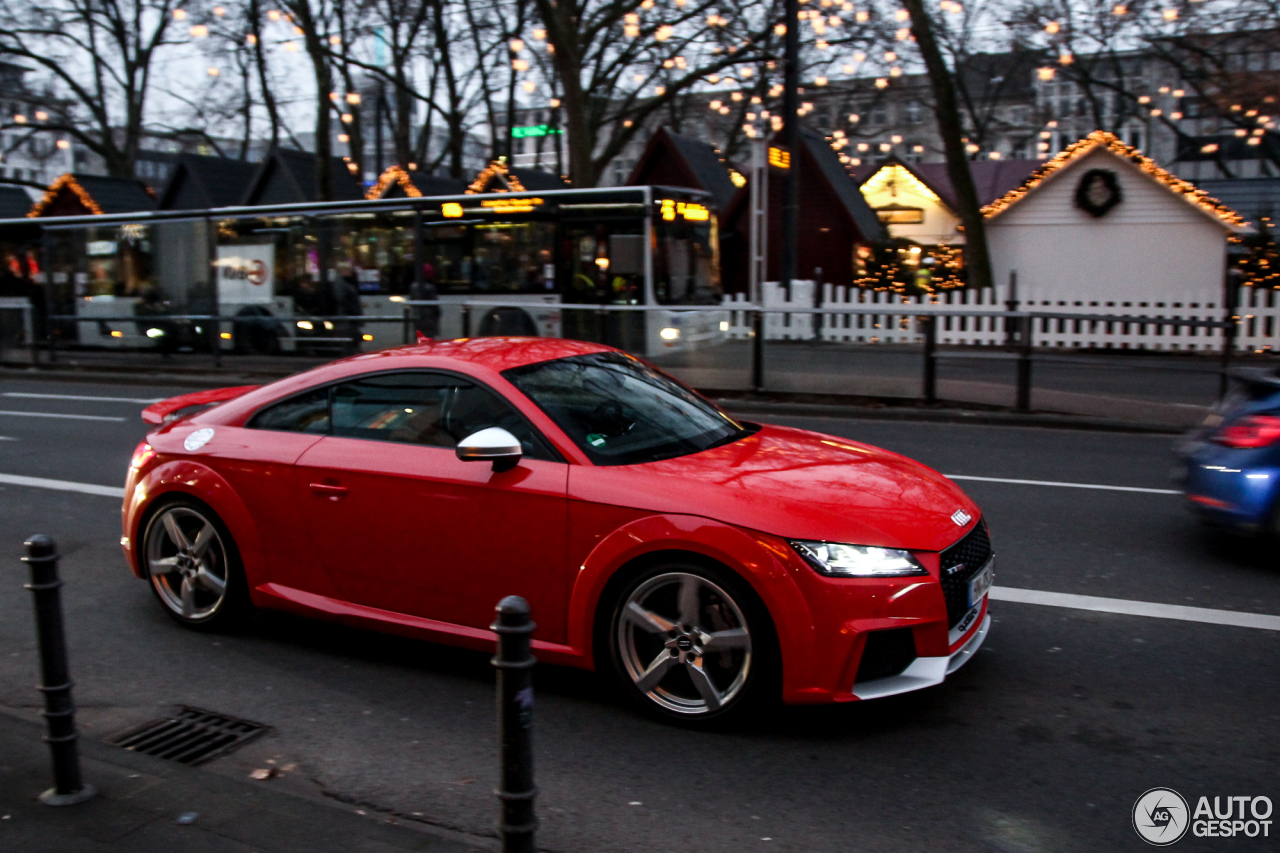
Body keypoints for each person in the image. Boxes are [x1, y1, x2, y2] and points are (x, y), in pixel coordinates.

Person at [409, 262, 441, 339]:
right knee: (429, 337)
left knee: (419, 336)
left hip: (417, 316)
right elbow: (434, 304)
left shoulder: (413, 286)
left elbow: (412, 301)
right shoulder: (431, 287)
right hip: (429, 317)